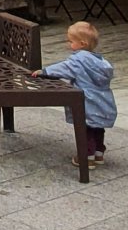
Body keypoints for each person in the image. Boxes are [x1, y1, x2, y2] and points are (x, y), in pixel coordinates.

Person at [37, 18, 116, 165]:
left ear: (82, 44)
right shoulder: (101, 62)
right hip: (103, 100)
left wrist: (45, 71)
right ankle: (99, 153)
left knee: (86, 130)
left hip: (86, 101)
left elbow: (64, 68)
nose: (68, 44)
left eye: (71, 41)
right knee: (98, 128)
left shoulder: (79, 60)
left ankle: (86, 157)